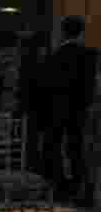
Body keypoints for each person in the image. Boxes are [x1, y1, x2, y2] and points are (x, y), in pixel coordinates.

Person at [37, 16, 98, 202]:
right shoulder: (91, 55)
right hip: (83, 110)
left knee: (56, 148)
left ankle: (61, 188)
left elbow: (46, 86)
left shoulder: (54, 56)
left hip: (58, 109)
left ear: (63, 32)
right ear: (81, 32)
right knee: (79, 150)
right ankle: (82, 188)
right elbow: (93, 84)